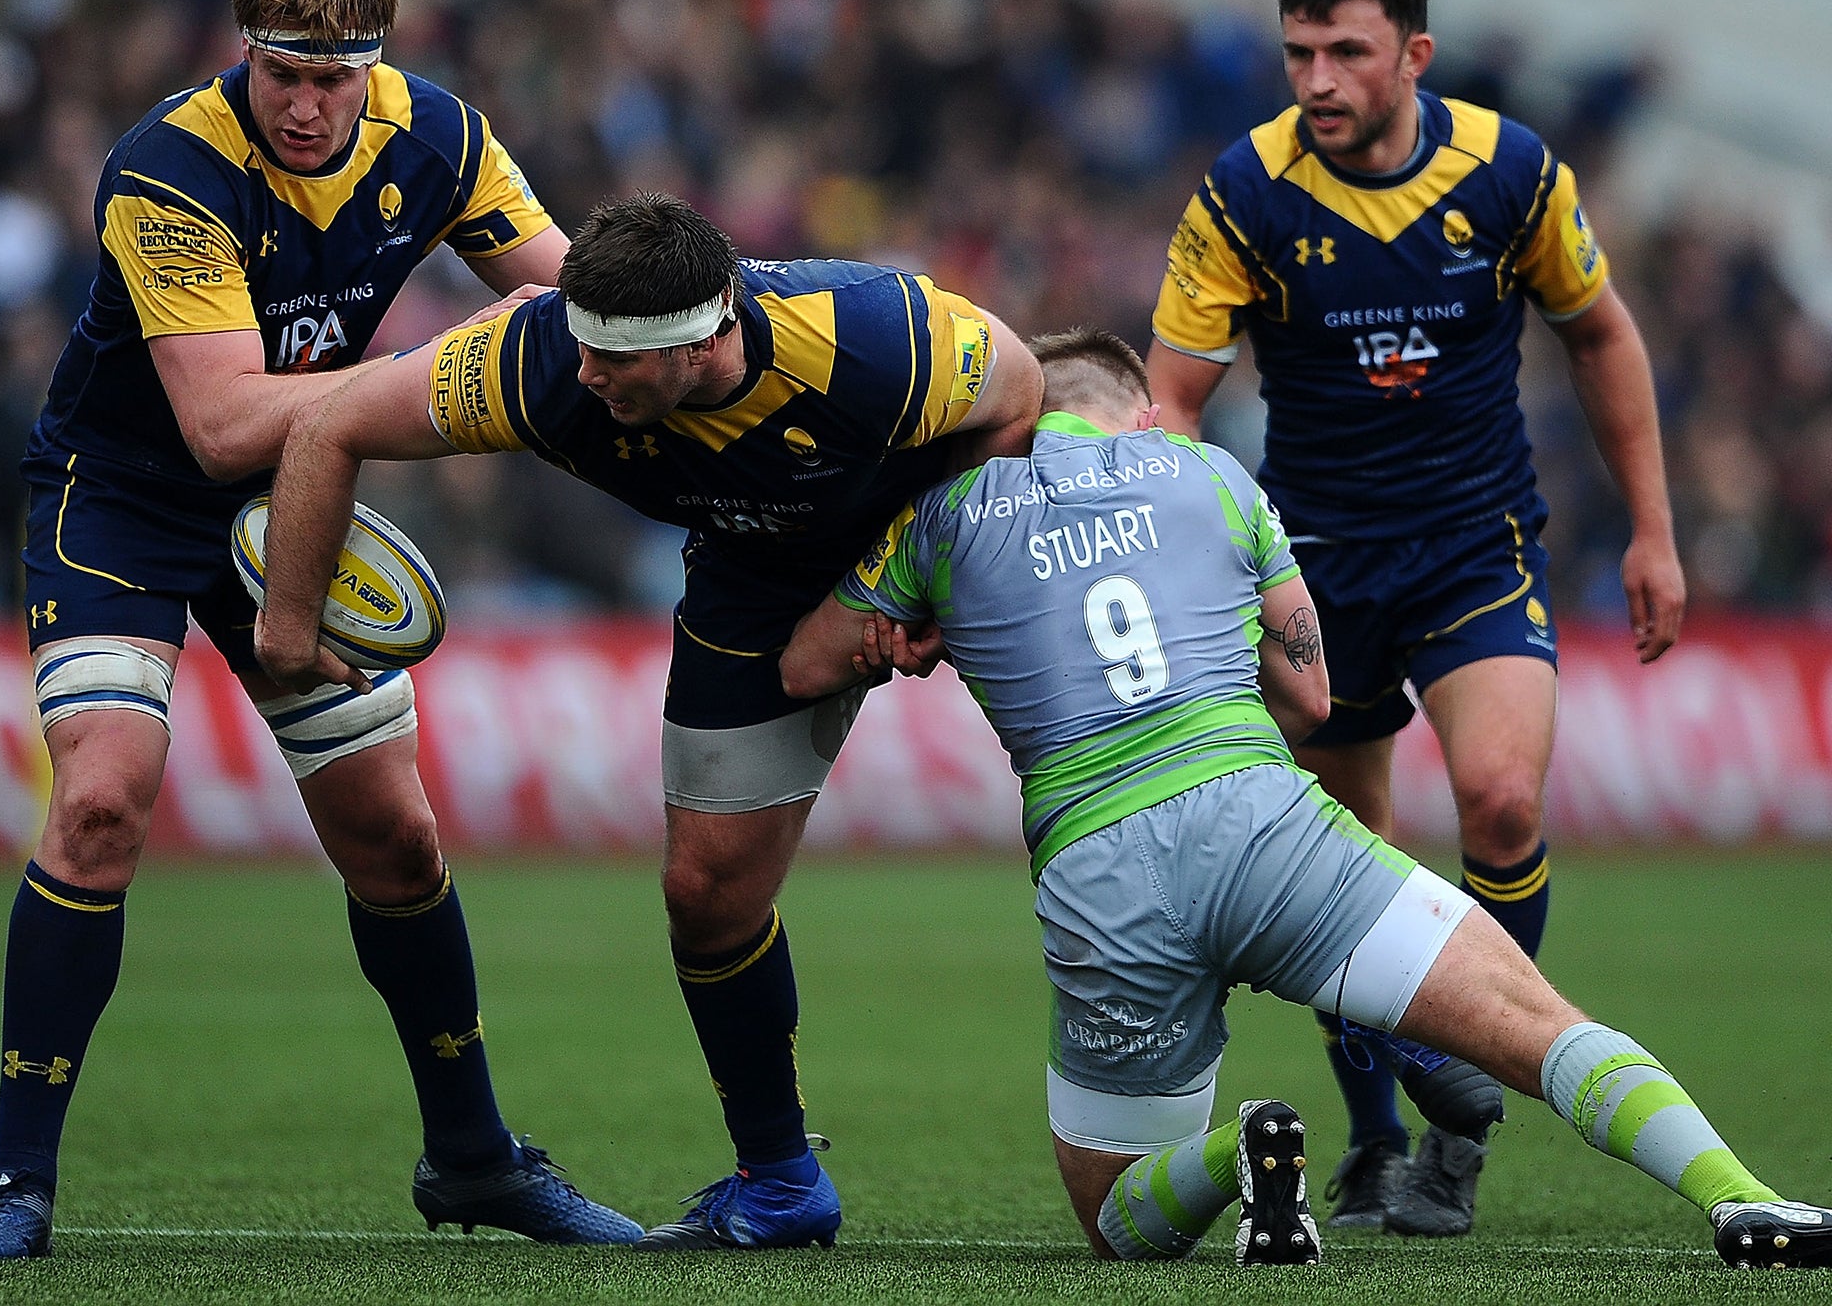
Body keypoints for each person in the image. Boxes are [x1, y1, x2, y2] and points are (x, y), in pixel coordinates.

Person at [779, 328, 1829, 1271]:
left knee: (1114, 1218)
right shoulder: (1209, 473)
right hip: (1261, 822)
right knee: (1541, 1029)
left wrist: (911, 638)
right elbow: (1309, 694)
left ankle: (1238, 1154)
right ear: (1140, 413)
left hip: (1097, 868)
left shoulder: (948, 516)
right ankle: (1739, 1199)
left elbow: (803, 668)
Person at [0, 0, 643, 1260]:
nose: (313, 107)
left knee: (398, 839)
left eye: (339, 79)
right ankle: (15, 1189)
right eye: (286, 76)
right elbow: (217, 424)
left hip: (291, 503)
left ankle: (475, 1159)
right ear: (241, 51)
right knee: (100, 801)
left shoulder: (437, 133)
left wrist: (721, 306)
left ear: (378, 61)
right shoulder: (167, 167)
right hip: (126, 499)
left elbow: (572, 294)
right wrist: (440, 365)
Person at [254, 190, 1044, 1249]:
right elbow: (331, 425)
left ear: (704, 340)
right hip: (750, 584)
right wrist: (288, 626)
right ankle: (780, 1182)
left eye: (614, 363)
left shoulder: (874, 336)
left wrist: (909, 582)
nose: (584, 376)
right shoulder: (537, 357)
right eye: (578, 347)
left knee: (1100, 801)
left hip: (930, 542)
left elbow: (1021, 389)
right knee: (704, 896)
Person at [1144, 0, 1687, 1235]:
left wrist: (1654, 531)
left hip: (1473, 541)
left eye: (1346, 52)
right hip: (1314, 566)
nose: (1317, 79)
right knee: (1348, 860)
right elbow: (1169, 402)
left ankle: (1460, 1123)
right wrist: (1188, 546)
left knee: (1500, 803)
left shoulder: (1508, 172)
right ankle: (1381, 1133)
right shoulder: (1243, 193)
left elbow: (1601, 331)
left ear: (1415, 56)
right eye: (1298, 53)